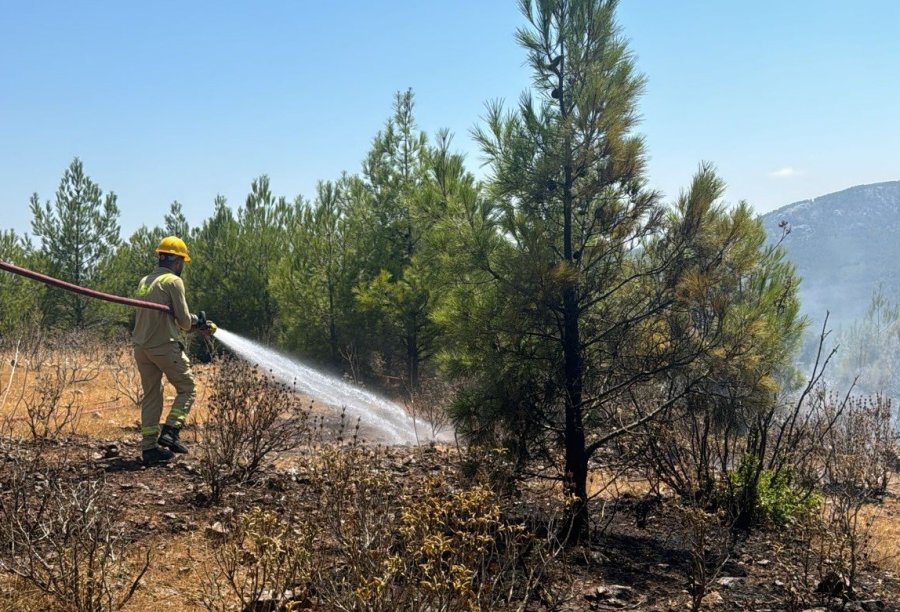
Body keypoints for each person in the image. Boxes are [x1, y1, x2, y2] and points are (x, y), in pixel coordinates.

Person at [132, 236, 215, 466]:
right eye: (183, 262)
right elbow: (185, 322)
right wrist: (198, 323)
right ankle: (170, 432)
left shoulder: (145, 280)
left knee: (152, 394)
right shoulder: (173, 282)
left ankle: (149, 449)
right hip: (163, 346)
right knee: (187, 388)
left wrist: (191, 323)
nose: (183, 267)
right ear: (177, 261)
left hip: (141, 347)